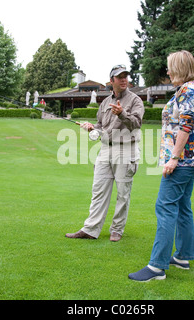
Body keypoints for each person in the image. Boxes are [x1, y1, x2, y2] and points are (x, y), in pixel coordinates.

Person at [129, 50, 194, 281]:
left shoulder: (188, 90)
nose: (168, 71)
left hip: (183, 161)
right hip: (188, 160)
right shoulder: (186, 90)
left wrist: (174, 158)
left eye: (170, 67)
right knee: (182, 206)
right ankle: (182, 257)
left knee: (165, 206)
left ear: (180, 68)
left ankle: (156, 267)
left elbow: (185, 126)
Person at [66, 65, 144, 242]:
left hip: (126, 149)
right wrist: (91, 127)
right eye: (120, 77)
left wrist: (122, 113)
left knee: (123, 193)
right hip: (105, 149)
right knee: (98, 190)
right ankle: (90, 229)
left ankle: (117, 229)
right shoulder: (104, 103)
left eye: (126, 76)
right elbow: (101, 126)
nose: (124, 79)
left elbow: (136, 123)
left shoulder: (135, 101)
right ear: (112, 81)